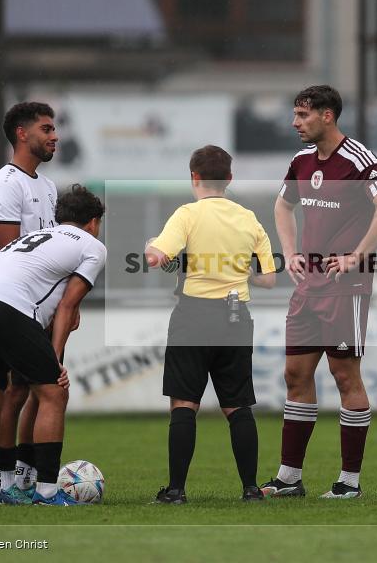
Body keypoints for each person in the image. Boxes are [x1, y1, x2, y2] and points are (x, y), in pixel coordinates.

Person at [261, 85, 377, 499]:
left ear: (327, 116)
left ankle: (349, 482)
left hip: (346, 287)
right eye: (295, 114)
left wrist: (358, 256)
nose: (295, 123)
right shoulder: (302, 160)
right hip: (309, 286)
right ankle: (289, 478)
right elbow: (282, 206)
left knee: (345, 376)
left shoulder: (358, 159)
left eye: (303, 115)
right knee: (295, 375)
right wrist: (289, 252)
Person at [0, 184, 106, 505]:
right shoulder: (92, 245)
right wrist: (53, 363)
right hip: (7, 305)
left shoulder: (36, 237)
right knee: (53, 392)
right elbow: (67, 307)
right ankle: (48, 492)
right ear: (93, 222)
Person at [144, 145, 277, 504]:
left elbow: (158, 258)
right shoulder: (248, 218)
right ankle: (251, 489)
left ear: (194, 177)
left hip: (193, 314)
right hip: (235, 315)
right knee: (237, 405)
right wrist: (236, 270)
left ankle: (176, 491)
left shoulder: (187, 214)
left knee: (185, 404)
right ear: (229, 179)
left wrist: (151, 247)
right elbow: (268, 279)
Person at [0, 102, 59, 502]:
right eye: (46, 128)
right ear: (21, 133)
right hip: (16, 303)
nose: (54, 136)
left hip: (43, 304)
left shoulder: (46, 186)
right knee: (17, 392)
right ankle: (2, 480)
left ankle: (25, 474)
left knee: (35, 389)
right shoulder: (7, 183)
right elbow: (10, 250)